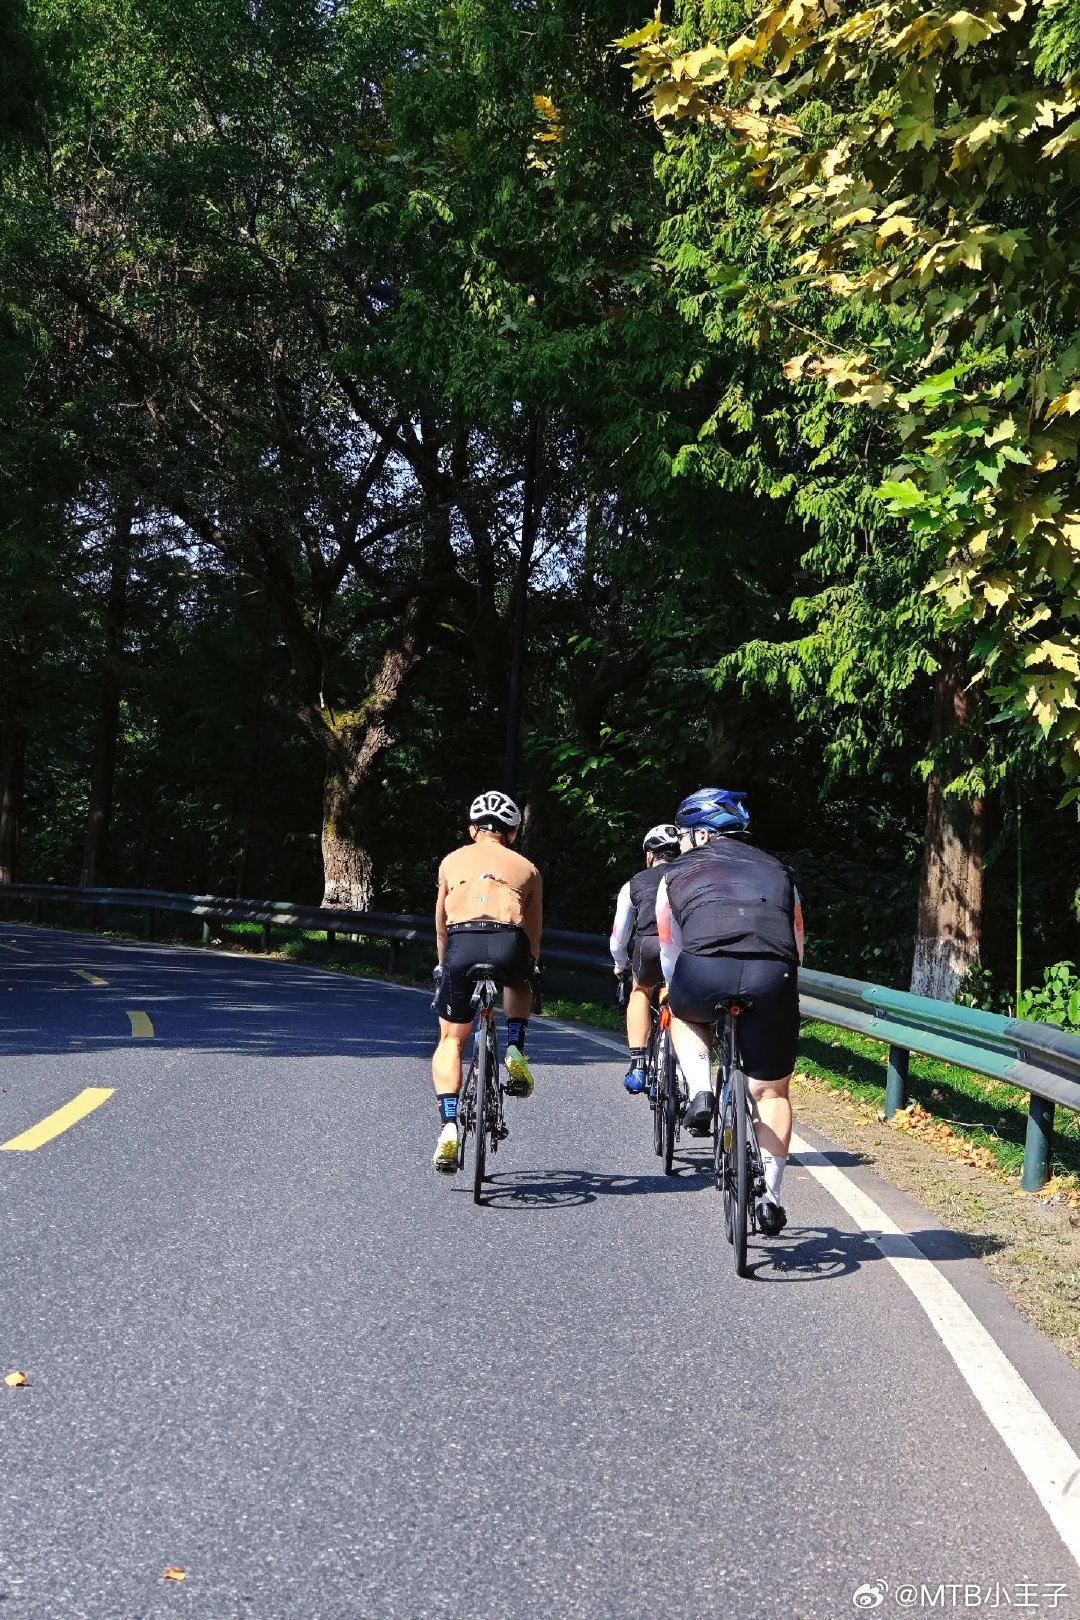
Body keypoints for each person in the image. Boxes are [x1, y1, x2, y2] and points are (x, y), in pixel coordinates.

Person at [656, 787, 804, 1235]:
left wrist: (674, 986)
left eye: (684, 833)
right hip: (771, 973)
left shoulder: (674, 873)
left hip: (704, 969)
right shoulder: (779, 870)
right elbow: (796, 939)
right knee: (772, 1092)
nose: (681, 842)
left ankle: (700, 1090)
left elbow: (668, 943)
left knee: (681, 1013)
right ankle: (770, 1197)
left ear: (702, 834)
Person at [430, 790, 543, 1174]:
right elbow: (533, 932)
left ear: (472, 830)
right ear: (511, 833)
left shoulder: (450, 861)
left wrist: (444, 964)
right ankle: (514, 1047)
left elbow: (442, 923)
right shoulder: (527, 868)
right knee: (520, 980)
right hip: (508, 943)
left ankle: (448, 1123)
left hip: (462, 943)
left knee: (451, 1040)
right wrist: (531, 966)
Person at [609, 824, 682, 1093]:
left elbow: (618, 938)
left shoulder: (634, 884)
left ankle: (638, 1066)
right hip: (685, 948)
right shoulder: (695, 875)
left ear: (650, 856)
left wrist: (620, 965)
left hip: (649, 945)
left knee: (640, 991)